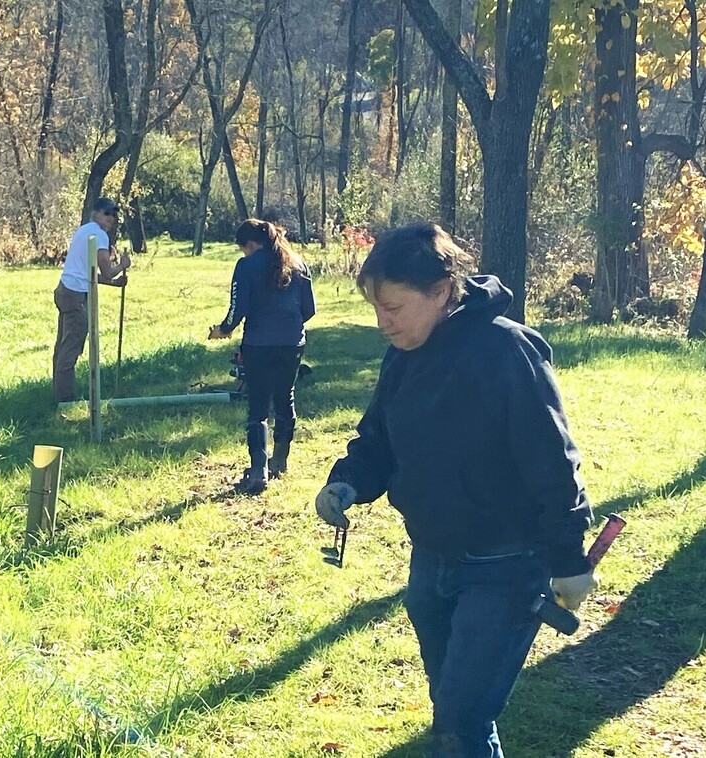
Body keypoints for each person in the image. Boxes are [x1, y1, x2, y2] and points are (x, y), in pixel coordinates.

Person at [312, 223, 596, 757]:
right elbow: (378, 438)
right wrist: (346, 480)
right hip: (431, 561)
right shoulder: (403, 353)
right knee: (452, 708)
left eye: (393, 307)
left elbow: (552, 462)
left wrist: (568, 557)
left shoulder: (507, 352)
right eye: (376, 308)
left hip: (507, 567)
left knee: (462, 721)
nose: (382, 323)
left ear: (440, 292)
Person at [208, 219, 315, 494]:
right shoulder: (299, 264)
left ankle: (258, 469)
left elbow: (237, 306)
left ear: (251, 244)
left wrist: (224, 329)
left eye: (243, 248)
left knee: (257, 404)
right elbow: (309, 309)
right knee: (285, 396)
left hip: (258, 342)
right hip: (292, 341)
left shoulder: (246, 266)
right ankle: (280, 460)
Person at [52, 197, 133, 404]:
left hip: (65, 290)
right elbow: (106, 271)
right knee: (71, 348)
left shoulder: (84, 231)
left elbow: (86, 272)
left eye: (114, 215)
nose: (111, 218)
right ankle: (66, 400)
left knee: (62, 346)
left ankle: (59, 394)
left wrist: (114, 283)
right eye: (107, 213)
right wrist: (122, 264)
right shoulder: (99, 235)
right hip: (76, 295)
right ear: (96, 212)